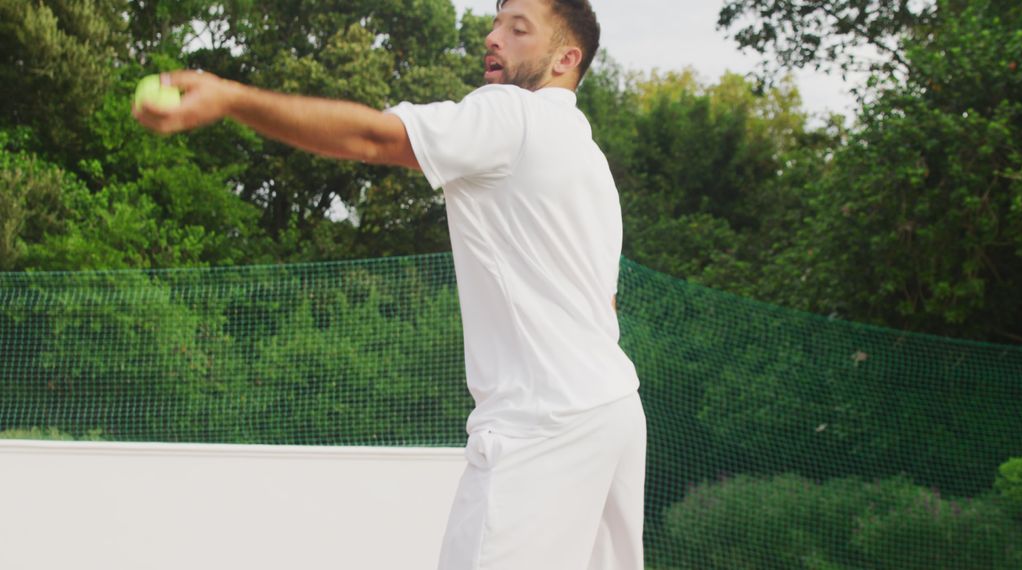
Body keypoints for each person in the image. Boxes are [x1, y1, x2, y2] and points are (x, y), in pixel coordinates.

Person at [134, 0, 645, 568]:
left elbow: (376, 139)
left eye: (518, 29)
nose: (494, 36)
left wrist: (231, 98)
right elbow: (607, 302)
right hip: (615, 411)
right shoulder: (590, 161)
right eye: (496, 22)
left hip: (543, 420)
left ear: (565, 59)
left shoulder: (511, 115)